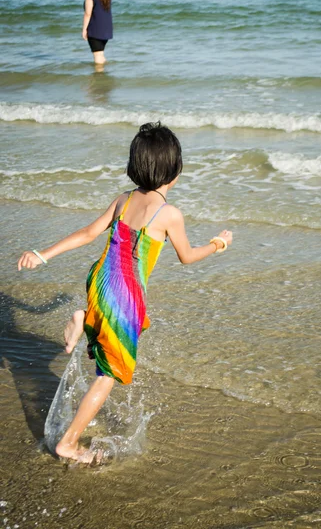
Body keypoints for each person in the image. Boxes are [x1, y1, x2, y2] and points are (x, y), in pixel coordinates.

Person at [17, 122, 233, 464]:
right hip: (124, 297)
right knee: (109, 375)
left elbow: (89, 233)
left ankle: (84, 319)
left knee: (105, 331)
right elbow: (187, 256)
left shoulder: (124, 199)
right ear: (174, 172)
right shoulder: (170, 214)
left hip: (99, 281)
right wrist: (218, 244)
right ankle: (69, 443)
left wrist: (43, 254)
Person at [83, 0, 113, 65]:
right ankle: (103, 76)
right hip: (106, 29)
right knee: (100, 54)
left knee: (97, 55)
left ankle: (99, 76)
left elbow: (88, 14)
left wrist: (84, 29)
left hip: (95, 29)